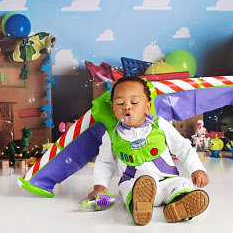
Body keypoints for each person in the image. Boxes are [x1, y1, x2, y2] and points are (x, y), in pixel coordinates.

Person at [88, 76, 210, 225]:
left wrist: (197, 168)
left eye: (134, 102)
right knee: (128, 189)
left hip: (167, 181)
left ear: (147, 107)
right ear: (113, 109)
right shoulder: (112, 136)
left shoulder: (159, 126)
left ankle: (180, 204)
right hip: (135, 183)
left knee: (183, 184)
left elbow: (182, 147)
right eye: (120, 103)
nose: (127, 107)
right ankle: (139, 206)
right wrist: (100, 187)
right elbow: (105, 162)